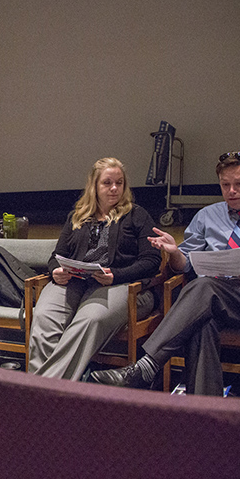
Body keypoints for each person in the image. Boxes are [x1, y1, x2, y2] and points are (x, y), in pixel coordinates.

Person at [90, 152, 240, 395]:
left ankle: (147, 366)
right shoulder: (207, 216)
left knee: (202, 288)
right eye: (225, 185)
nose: (231, 191)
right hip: (214, 297)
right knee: (201, 320)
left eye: (239, 184)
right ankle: (206, 410)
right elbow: (184, 264)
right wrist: (174, 252)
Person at [28, 158, 161, 381]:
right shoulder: (77, 216)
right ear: (94, 186)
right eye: (107, 183)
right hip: (75, 280)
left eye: (119, 183)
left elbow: (151, 260)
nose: (114, 188)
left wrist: (116, 275)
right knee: (43, 317)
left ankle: (37, 392)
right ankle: (51, 393)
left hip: (118, 283)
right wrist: (55, 271)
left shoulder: (137, 215)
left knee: (89, 320)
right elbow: (56, 256)